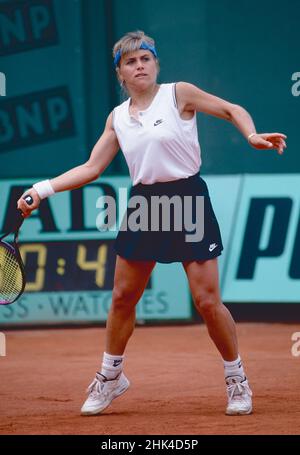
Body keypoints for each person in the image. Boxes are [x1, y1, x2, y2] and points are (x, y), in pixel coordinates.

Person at [18, 30, 287, 416]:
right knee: (123, 298)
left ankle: (236, 380)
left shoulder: (179, 93)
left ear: (155, 64)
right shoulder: (117, 119)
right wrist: (41, 190)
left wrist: (251, 134)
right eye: (130, 61)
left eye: (145, 58)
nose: (139, 65)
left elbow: (230, 109)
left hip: (189, 200)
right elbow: (92, 168)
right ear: (120, 74)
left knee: (207, 301)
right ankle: (111, 377)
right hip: (145, 206)